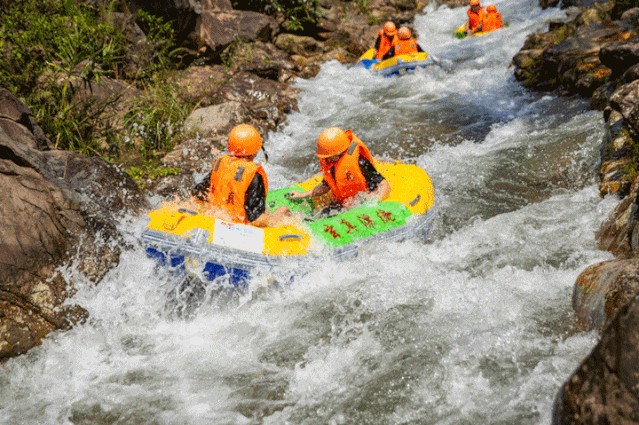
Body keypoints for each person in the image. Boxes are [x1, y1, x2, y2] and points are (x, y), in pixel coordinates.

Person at [192, 124, 291, 226]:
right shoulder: (254, 175)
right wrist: (279, 214)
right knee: (284, 209)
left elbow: (197, 197)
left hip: (217, 219)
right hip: (240, 228)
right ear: (255, 151)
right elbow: (256, 220)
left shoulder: (220, 165)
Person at [288, 127, 391, 209]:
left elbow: (384, 185)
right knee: (325, 212)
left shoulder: (360, 162)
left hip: (362, 202)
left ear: (337, 153)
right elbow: (325, 186)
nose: (325, 160)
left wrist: (373, 204)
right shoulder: (332, 164)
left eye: (327, 156)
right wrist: (302, 195)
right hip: (343, 203)